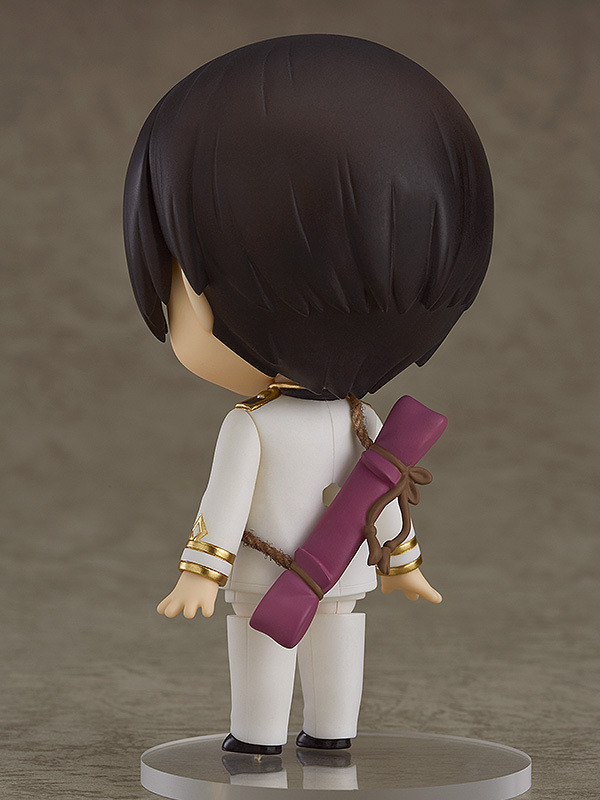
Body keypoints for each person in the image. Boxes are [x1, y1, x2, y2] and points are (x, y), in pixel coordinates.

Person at [123, 34, 494, 755]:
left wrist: (204, 571)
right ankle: (324, 733)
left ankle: (265, 737)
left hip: (271, 571)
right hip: (334, 567)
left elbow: (234, 503)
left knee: (268, 644)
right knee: (334, 639)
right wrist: (401, 562)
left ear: (209, 284)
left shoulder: (257, 423)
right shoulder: (360, 417)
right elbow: (381, 491)